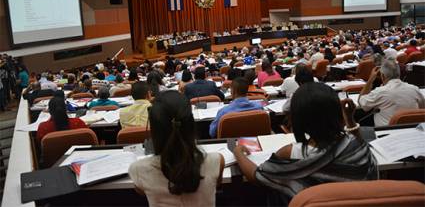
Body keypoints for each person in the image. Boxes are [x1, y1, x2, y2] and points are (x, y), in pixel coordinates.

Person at [233, 82, 377, 205]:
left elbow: (258, 176)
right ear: (337, 113)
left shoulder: (290, 153)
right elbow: (360, 143)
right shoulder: (356, 146)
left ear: (297, 120)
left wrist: (238, 153)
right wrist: (349, 119)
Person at [128, 91, 224, 207]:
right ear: (191, 124)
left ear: (154, 130)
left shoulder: (138, 170)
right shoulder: (217, 161)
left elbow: (142, 191)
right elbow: (216, 184)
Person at [358, 58, 425, 126]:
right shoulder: (414, 89)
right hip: (413, 131)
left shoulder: (380, 92)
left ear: (383, 76)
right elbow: (422, 108)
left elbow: (362, 103)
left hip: (386, 132)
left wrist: (370, 79)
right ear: (399, 74)